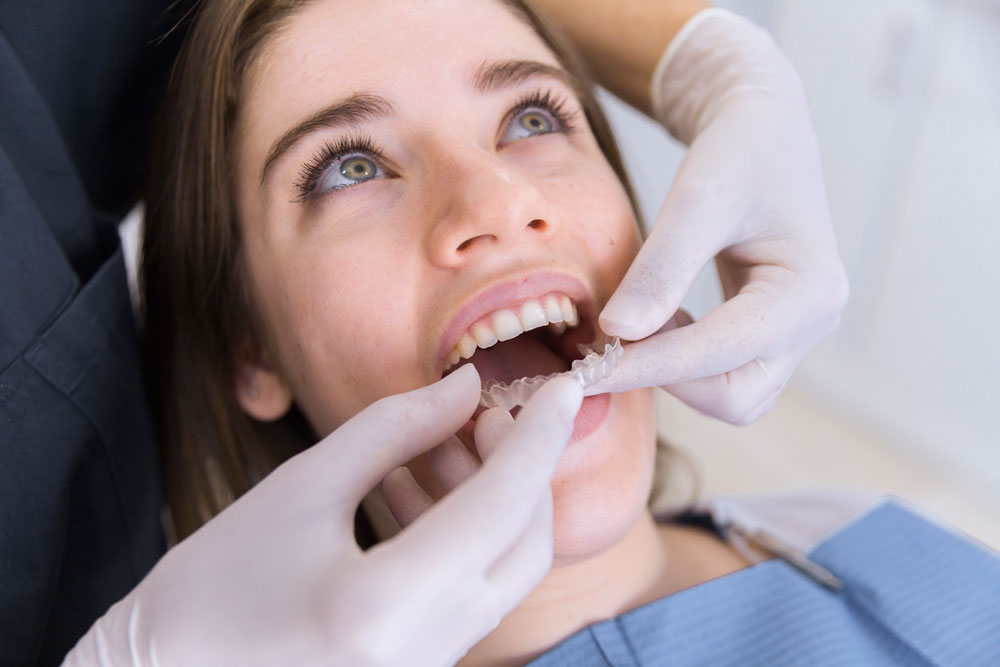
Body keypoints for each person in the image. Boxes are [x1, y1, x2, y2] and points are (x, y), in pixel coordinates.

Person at [65, 0, 1000, 665]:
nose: (499, 202)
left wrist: (714, 56)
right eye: (349, 165)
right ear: (252, 347)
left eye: (530, 116)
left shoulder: (838, 526)